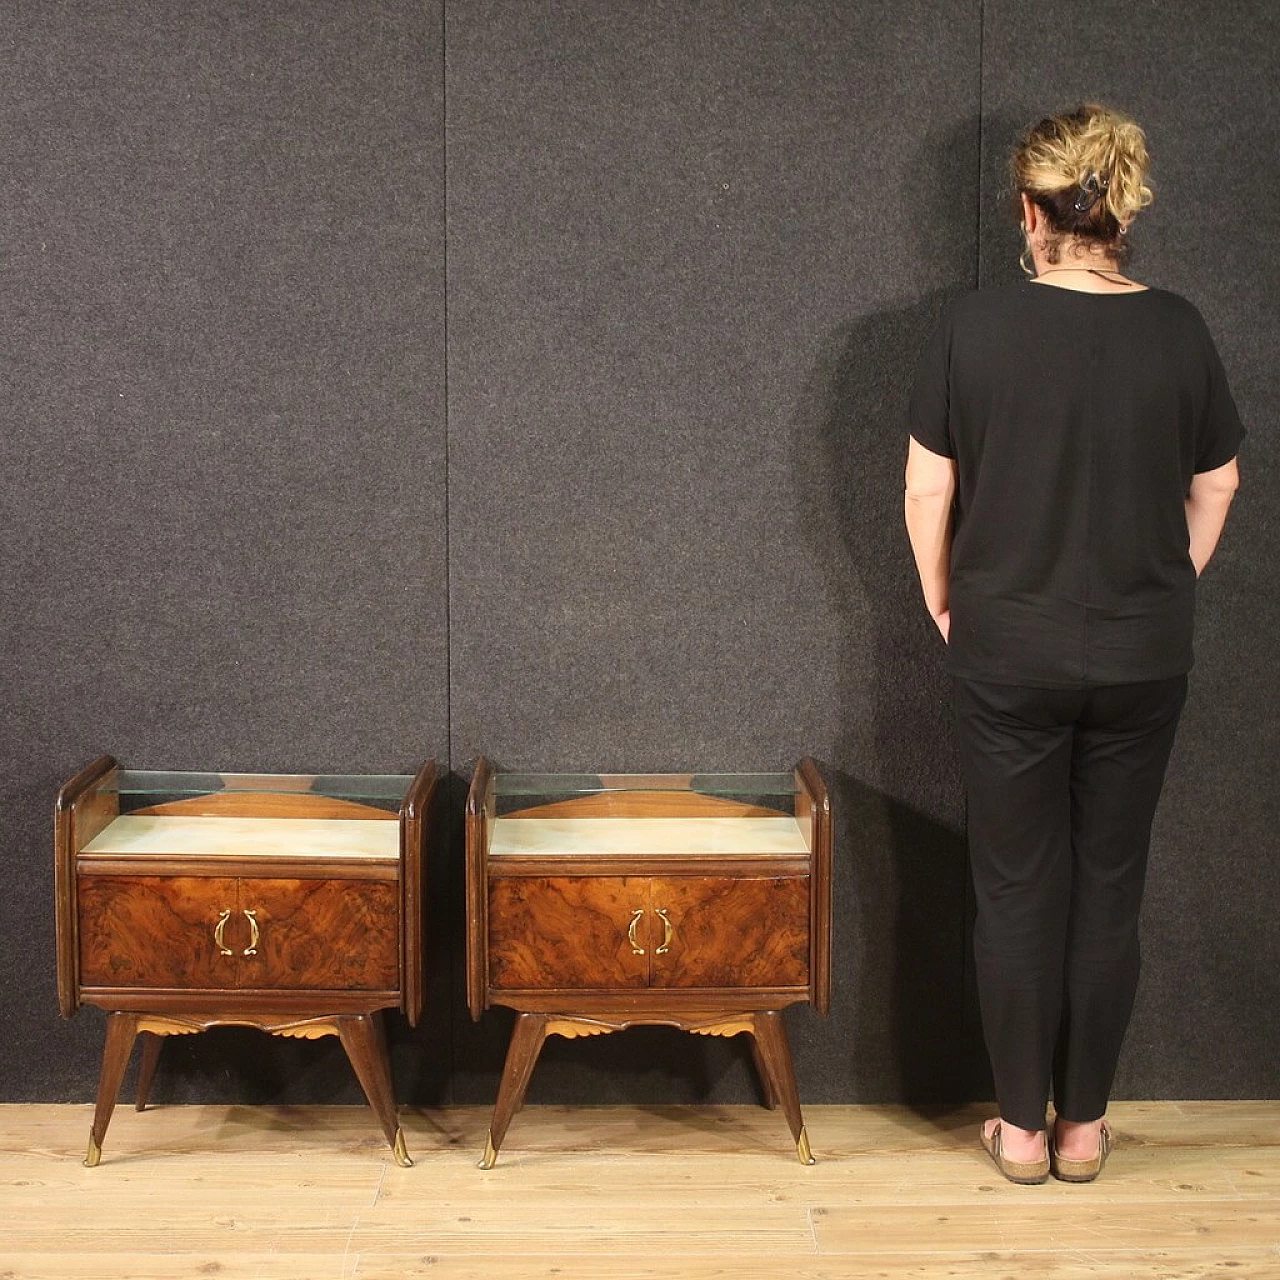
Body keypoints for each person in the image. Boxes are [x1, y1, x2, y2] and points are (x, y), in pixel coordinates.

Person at [903, 104, 1244, 1183]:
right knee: (1108, 884)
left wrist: (948, 603)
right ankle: (1084, 1128)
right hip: (1143, 653)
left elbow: (926, 485)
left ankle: (1014, 1128)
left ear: (1029, 210)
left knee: (1012, 887)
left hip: (1005, 646)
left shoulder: (972, 329)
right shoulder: (1179, 328)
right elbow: (1218, 480)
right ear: (1120, 211)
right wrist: (1168, 577)